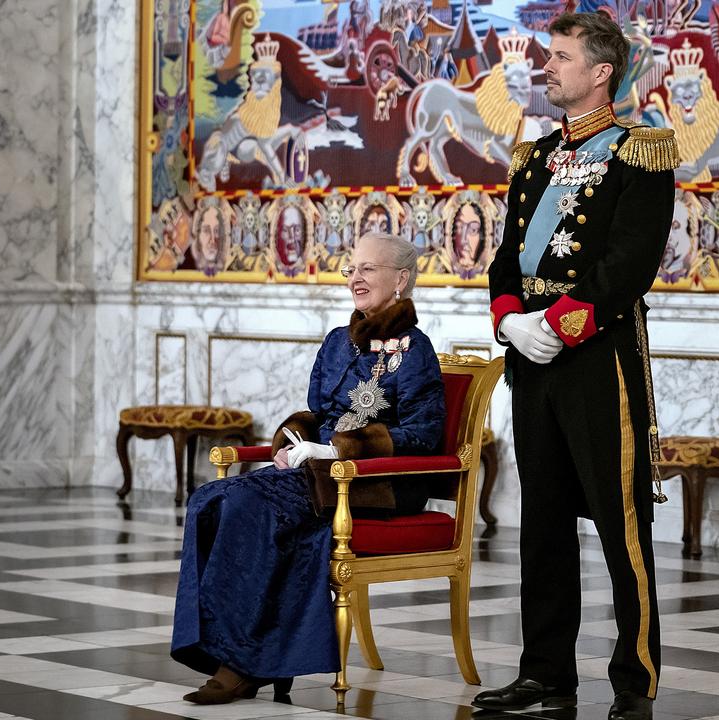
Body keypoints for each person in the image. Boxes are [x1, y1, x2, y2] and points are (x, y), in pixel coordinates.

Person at [474, 12, 678, 720]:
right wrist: (511, 322)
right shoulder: (532, 159)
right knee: (545, 523)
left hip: (598, 359)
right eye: (547, 56)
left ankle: (634, 678)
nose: (546, 67)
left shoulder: (641, 152)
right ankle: (546, 673)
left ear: (600, 72)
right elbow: (505, 261)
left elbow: (629, 265)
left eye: (560, 57)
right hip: (533, 360)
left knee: (622, 523)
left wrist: (558, 326)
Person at [170, 232, 446, 705]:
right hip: (315, 476)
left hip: (375, 485)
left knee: (246, 505)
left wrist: (337, 451)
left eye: (368, 269)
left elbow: (423, 435)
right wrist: (294, 441)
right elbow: (316, 411)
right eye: (351, 268)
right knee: (211, 499)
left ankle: (239, 662)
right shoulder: (339, 342)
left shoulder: (415, 351)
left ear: (401, 279)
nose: (355, 278)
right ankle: (235, 652)